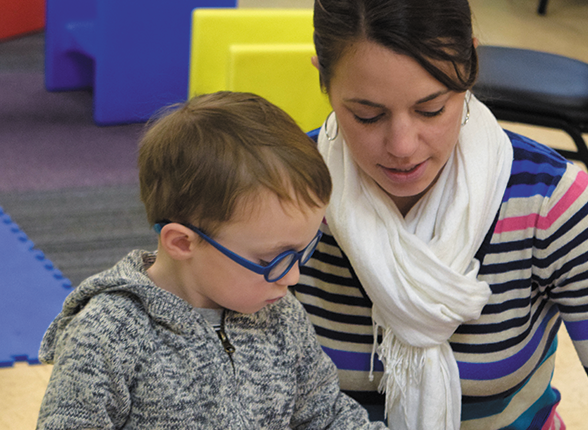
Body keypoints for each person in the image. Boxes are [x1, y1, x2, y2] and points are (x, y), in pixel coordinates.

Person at [293, 1, 588, 429]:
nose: (402, 145)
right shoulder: (280, 199)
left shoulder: (549, 201)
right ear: (322, 78)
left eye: (431, 109)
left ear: (472, 65)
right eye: (368, 115)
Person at [36, 91, 388, 429]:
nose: (293, 277)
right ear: (182, 242)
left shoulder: (281, 315)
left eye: (302, 252)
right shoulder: (107, 332)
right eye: (272, 259)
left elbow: (325, 417)